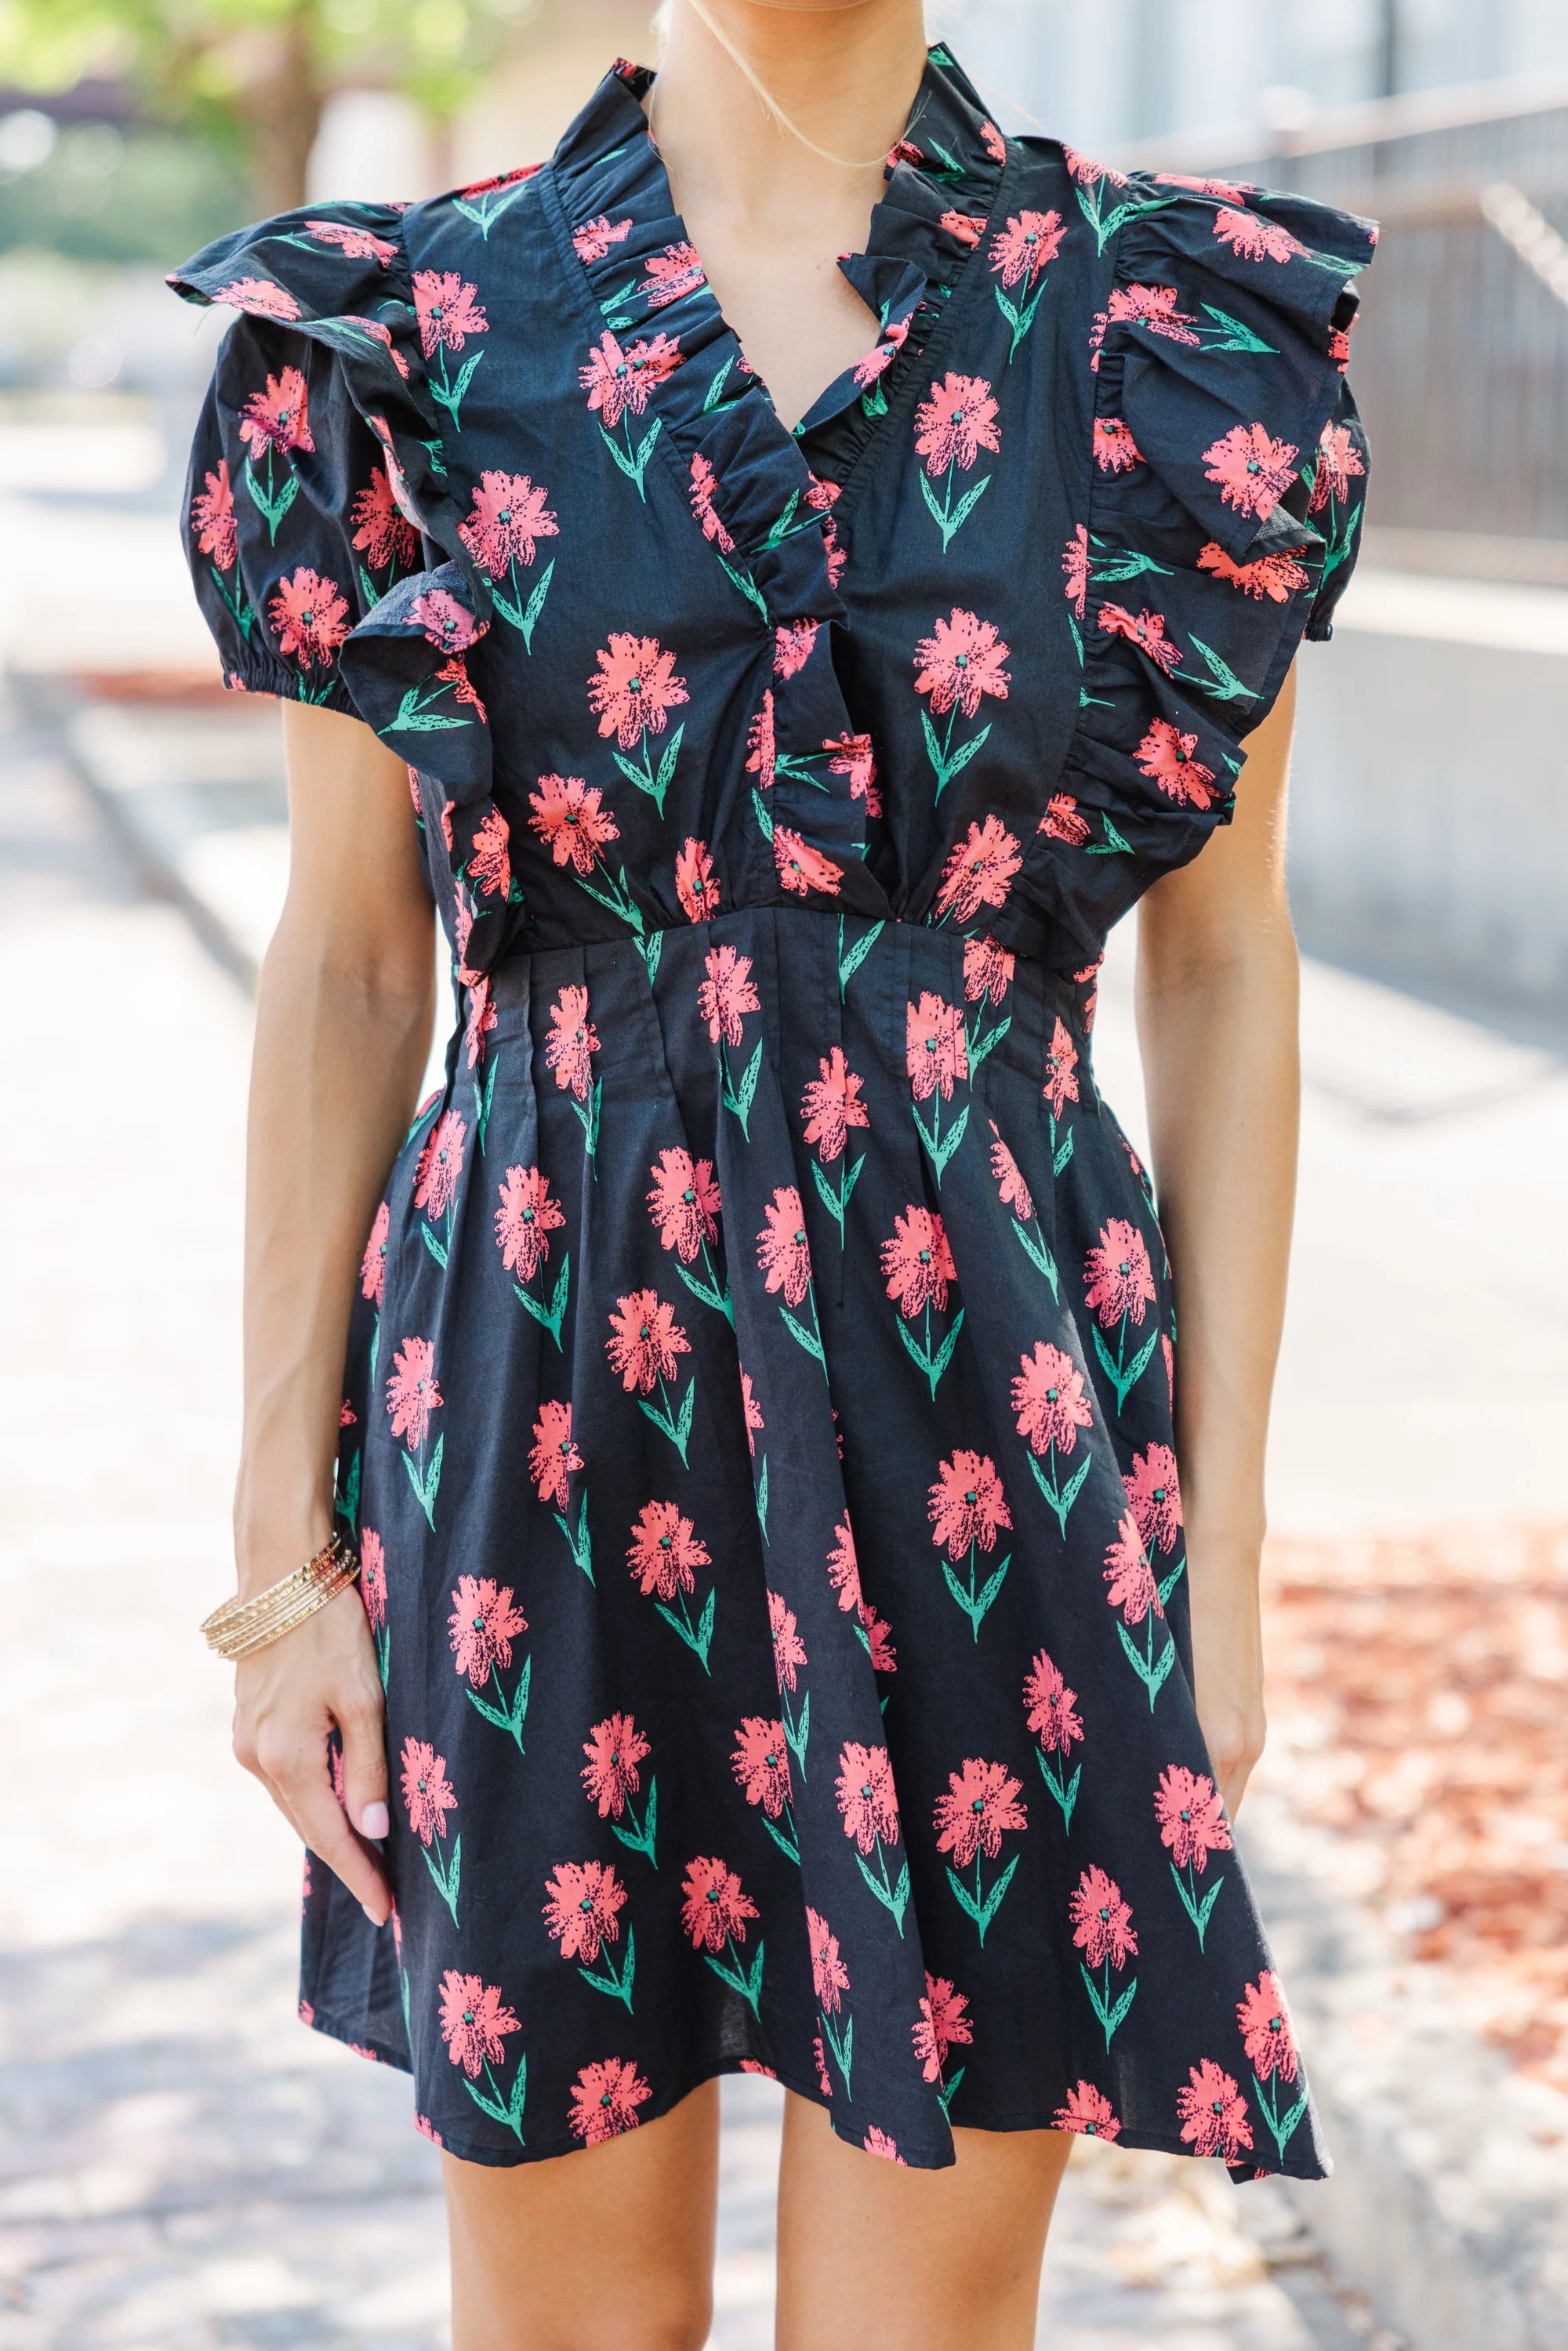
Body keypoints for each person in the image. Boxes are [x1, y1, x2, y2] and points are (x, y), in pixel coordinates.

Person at [170, 2, 1374, 2342]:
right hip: (540, 1405)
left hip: (996, 1416)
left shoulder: (1157, 334)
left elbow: (1230, 964)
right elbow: (342, 968)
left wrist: (1218, 1549)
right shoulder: (417, 329)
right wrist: (275, 1562)